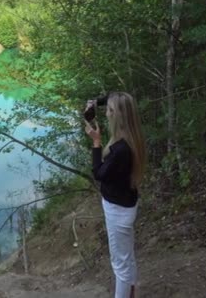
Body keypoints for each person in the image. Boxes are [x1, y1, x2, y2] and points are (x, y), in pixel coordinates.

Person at [84, 91, 146, 298]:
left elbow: (99, 173)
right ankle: (131, 293)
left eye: (110, 111)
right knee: (127, 258)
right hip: (127, 204)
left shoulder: (120, 150)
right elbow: (114, 96)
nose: (107, 114)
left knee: (120, 264)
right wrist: (96, 102)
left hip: (118, 211)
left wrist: (96, 142)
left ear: (119, 116)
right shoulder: (131, 138)